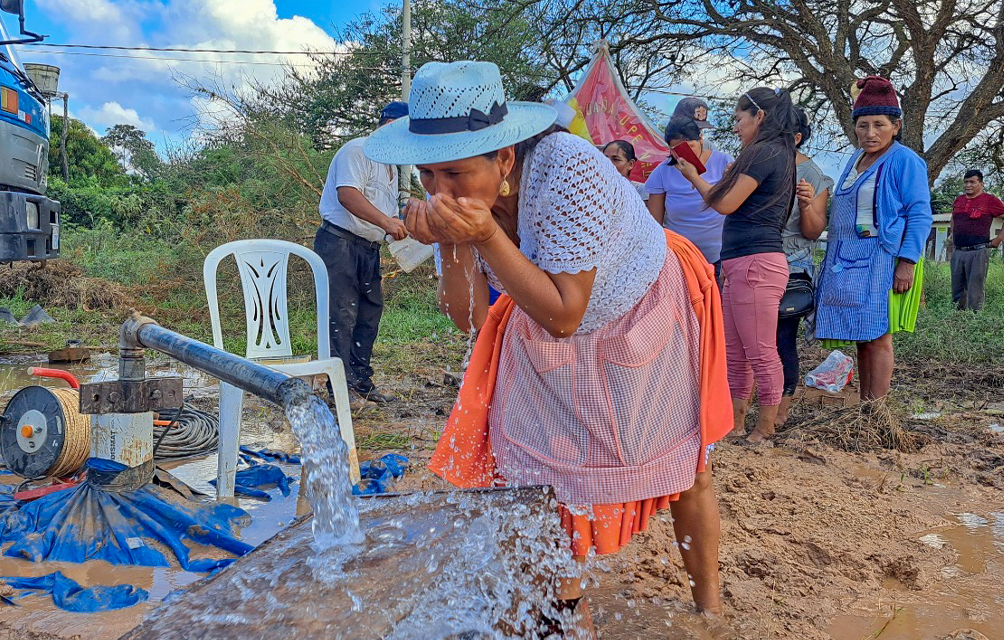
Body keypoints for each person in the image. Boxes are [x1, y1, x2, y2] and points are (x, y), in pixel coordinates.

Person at [365, 61, 733, 631]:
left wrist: (483, 235)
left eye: (456, 173)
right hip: (546, 321)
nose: (441, 190)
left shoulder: (570, 168)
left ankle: (709, 609)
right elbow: (465, 314)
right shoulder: (456, 202)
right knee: (534, 480)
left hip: (638, 306)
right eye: (428, 175)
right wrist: (454, 241)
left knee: (685, 464)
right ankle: (559, 615)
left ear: (504, 158)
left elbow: (565, 312)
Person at [675, 87, 797, 444]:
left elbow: (725, 203)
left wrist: (692, 176)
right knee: (738, 351)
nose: (736, 127)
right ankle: (737, 422)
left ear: (759, 116)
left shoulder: (763, 152)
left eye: (739, 119)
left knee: (759, 351)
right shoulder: (774, 153)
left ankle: (765, 428)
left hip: (756, 263)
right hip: (746, 263)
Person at [814, 76, 933, 400]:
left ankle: (876, 413)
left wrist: (907, 263)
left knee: (879, 337)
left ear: (896, 126)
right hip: (851, 262)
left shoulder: (904, 160)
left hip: (886, 260)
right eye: (863, 125)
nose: (870, 133)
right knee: (863, 337)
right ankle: (866, 408)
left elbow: (920, 214)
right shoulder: (855, 160)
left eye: (879, 124)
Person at [313, 101, 409, 404]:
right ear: (391, 125)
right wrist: (386, 223)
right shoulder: (358, 150)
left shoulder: (391, 168)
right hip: (339, 242)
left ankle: (361, 381)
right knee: (341, 314)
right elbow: (348, 194)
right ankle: (337, 390)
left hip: (368, 248)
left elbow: (386, 215)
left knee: (369, 314)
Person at [774, 108, 834, 428]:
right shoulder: (758, 167)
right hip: (754, 262)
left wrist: (808, 205)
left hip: (791, 267)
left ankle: (781, 410)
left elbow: (813, 232)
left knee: (783, 339)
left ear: (796, 138)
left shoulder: (814, 176)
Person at [644, 116, 735, 269]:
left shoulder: (724, 162)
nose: (684, 155)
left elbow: (732, 205)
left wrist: (693, 176)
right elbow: (655, 224)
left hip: (721, 255)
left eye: (689, 146)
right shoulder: (662, 171)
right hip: (681, 257)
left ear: (700, 138)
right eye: (676, 150)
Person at [950, 170, 1004, 311]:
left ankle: (975, 320)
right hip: (959, 251)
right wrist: (952, 236)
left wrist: (999, 238)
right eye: (966, 182)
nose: (968, 185)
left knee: (975, 290)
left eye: (972, 182)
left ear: (981, 184)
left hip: (978, 251)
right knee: (957, 290)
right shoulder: (959, 200)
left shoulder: (990, 200)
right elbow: (953, 218)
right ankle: (957, 320)